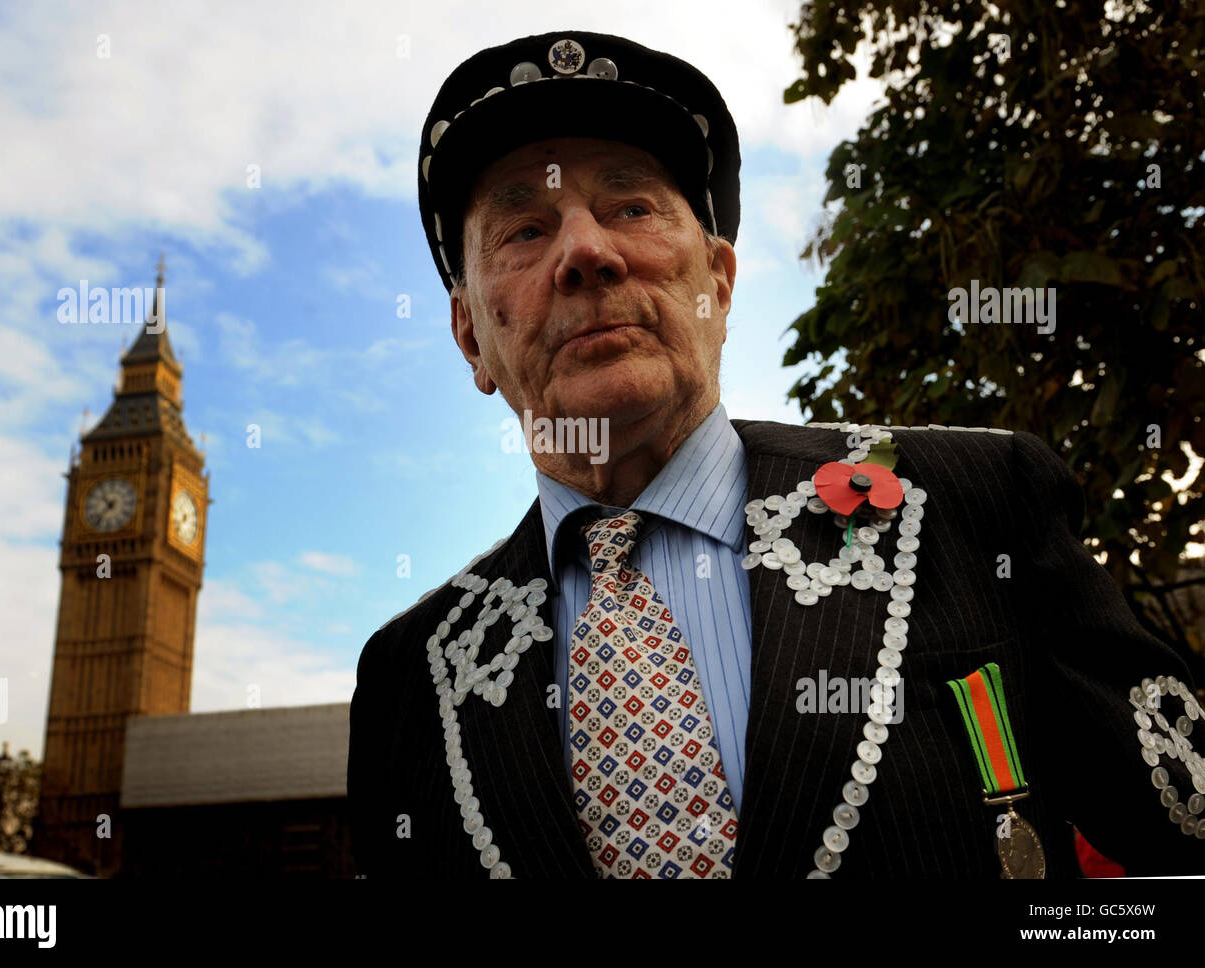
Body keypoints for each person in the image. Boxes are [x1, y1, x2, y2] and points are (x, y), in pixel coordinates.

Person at [347, 29, 1204, 878]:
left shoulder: (973, 503)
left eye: (632, 207)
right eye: (524, 231)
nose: (585, 252)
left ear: (717, 282)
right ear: (468, 336)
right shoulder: (409, 678)